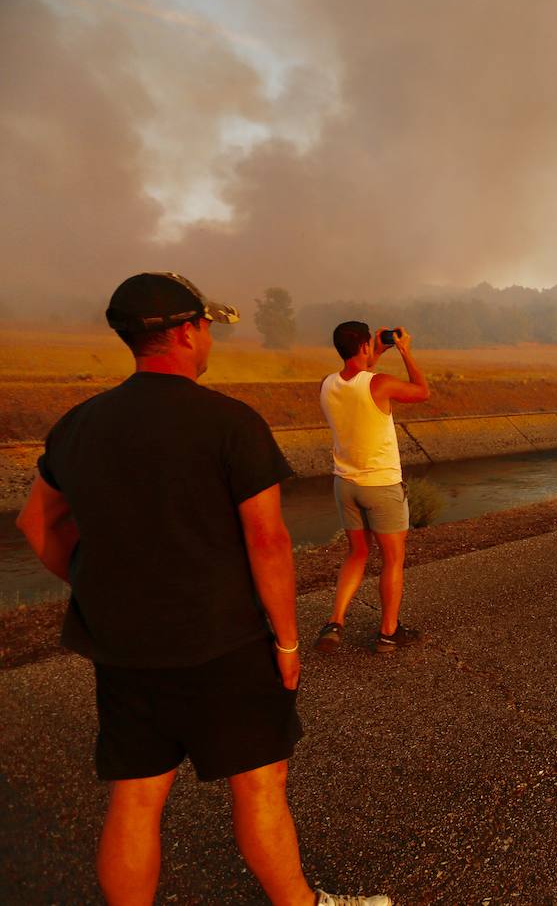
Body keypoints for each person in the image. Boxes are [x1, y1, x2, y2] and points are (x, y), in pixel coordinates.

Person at [16, 272, 388, 906]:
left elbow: (36, 523)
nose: (209, 337)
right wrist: (290, 642)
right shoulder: (229, 423)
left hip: (124, 646)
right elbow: (267, 541)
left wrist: (89, 583)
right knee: (260, 784)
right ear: (187, 331)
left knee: (136, 795)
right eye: (207, 326)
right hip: (226, 641)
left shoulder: (79, 424)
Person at [315, 322, 430, 654]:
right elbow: (422, 391)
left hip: (345, 484)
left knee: (357, 553)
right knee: (393, 559)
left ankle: (334, 622)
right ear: (364, 346)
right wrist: (405, 349)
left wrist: (376, 350)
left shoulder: (326, 384)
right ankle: (387, 633)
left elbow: (357, 379)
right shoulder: (379, 384)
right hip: (381, 485)